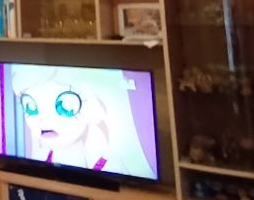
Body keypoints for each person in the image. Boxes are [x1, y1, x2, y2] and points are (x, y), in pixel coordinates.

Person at [8, 64, 155, 179]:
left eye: (65, 105)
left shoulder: (113, 167)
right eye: (31, 107)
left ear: (94, 106)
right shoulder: (37, 159)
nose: (43, 119)